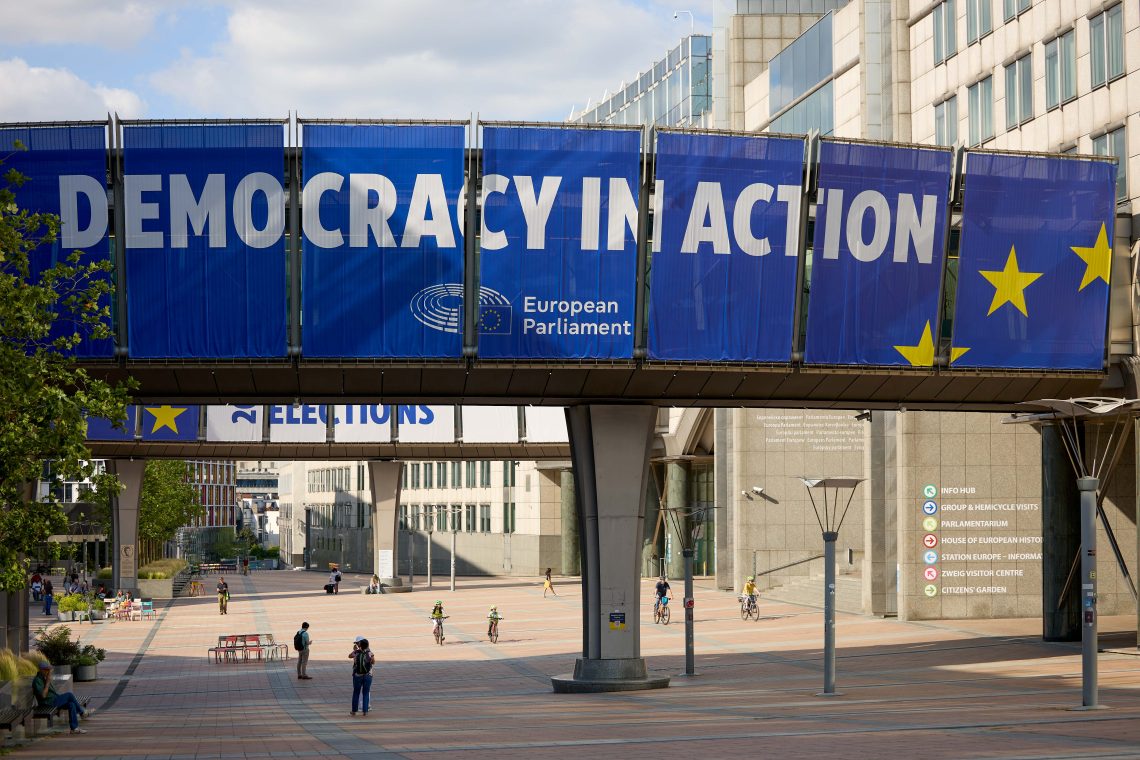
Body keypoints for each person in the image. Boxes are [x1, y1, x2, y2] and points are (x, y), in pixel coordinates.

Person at [32, 661, 93, 734]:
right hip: (47, 703)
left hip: (53, 700)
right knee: (69, 695)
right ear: (41, 670)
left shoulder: (44, 677)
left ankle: (74, 728)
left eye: (49, 670)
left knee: (71, 704)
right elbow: (43, 696)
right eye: (46, 669)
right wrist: (48, 682)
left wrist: (48, 678)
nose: (48, 672)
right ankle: (82, 712)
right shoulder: (37, 680)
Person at [348, 637, 375, 716]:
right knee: (366, 693)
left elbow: (349, 656)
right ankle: (365, 711)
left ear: (359, 645)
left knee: (356, 692)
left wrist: (355, 650)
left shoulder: (356, 652)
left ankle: (354, 711)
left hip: (357, 675)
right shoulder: (370, 653)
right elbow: (373, 662)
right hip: (368, 675)